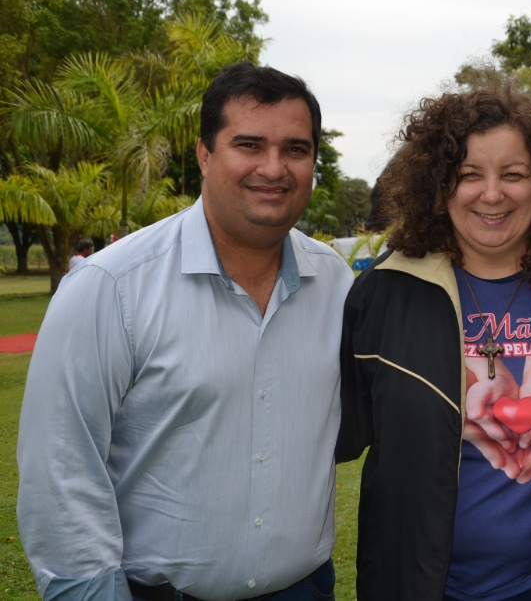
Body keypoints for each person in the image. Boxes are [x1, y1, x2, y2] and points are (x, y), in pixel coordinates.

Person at [17, 62, 354, 601]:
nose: (275, 167)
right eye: (248, 144)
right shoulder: (111, 288)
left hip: (305, 588)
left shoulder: (336, 283)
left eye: (296, 149)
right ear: (204, 154)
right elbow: (62, 478)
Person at [336, 85, 531, 601]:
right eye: (468, 175)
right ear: (439, 186)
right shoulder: (385, 294)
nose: (492, 194)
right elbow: (343, 432)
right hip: (424, 584)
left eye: (513, 174)